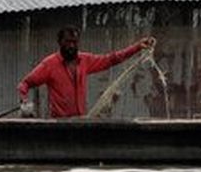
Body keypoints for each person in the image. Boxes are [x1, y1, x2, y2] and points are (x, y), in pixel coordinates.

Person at [17, 27, 156, 118]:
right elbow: (25, 84)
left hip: (80, 122)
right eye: (67, 42)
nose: (71, 46)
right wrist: (24, 102)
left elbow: (110, 59)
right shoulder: (49, 64)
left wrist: (137, 47)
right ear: (59, 42)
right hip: (59, 124)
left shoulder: (85, 60)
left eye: (74, 42)